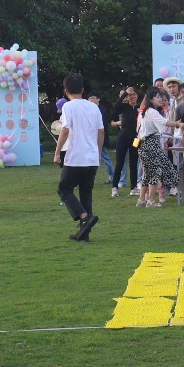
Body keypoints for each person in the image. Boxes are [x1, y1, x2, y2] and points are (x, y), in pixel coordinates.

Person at [54, 73, 104, 241]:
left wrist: (57, 152)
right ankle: (84, 234)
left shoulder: (68, 107)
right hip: (91, 158)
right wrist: (98, 152)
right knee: (86, 194)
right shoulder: (94, 107)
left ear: (66, 90)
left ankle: (84, 217)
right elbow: (101, 132)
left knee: (64, 189)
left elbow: (65, 130)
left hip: (76, 157)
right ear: (82, 90)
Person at [136, 88, 179, 206]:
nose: (161, 99)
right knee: (155, 172)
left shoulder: (145, 111)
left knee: (148, 173)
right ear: (151, 99)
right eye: (158, 97)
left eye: (161, 97)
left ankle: (141, 200)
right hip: (151, 144)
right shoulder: (152, 111)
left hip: (143, 144)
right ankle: (150, 200)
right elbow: (164, 122)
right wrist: (177, 124)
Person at [110, 86, 140, 197]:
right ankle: (114, 187)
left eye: (134, 94)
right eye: (130, 95)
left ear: (137, 96)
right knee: (119, 163)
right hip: (122, 137)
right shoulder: (124, 107)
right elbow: (115, 106)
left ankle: (134, 187)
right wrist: (124, 94)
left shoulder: (140, 108)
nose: (132, 97)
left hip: (136, 139)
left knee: (134, 162)